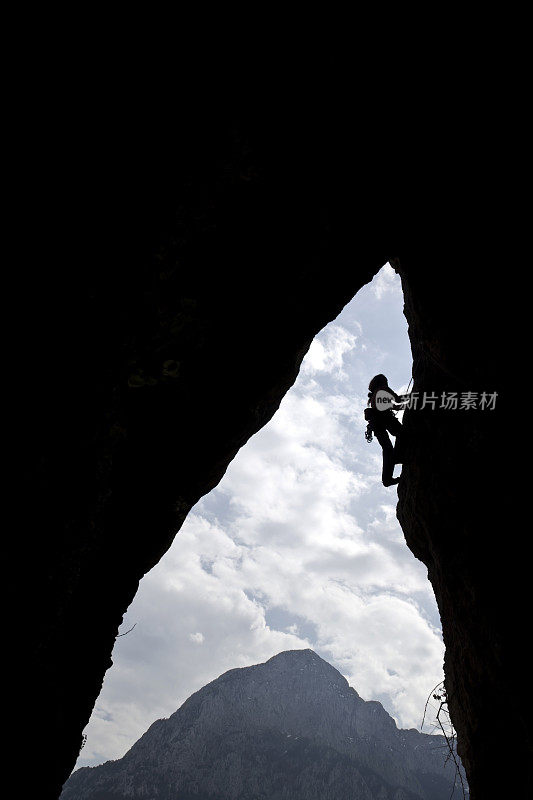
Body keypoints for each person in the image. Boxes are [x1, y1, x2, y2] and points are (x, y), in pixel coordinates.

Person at [365, 374, 408, 487]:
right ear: (383, 381)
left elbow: (396, 407)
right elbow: (398, 400)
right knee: (402, 433)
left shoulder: (374, 395)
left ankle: (387, 479)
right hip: (385, 418)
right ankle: (398, 456)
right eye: (386, 380)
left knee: (387, 449)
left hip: (376, 423)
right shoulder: (383, 389)